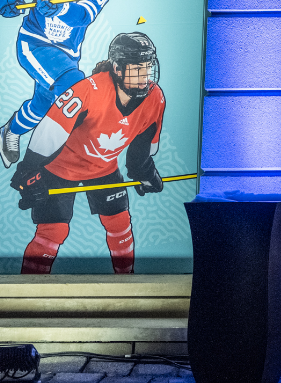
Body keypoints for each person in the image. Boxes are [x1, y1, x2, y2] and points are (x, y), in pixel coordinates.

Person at [10, 32, 166, 275]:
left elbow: (141, 150)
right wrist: (28, 171)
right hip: (60, 167)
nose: (145, 76)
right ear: (117, 68)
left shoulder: (155, 98)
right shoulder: (89, 91)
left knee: (120, 223)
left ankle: (126, 284)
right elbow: (50, 130)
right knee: (53, 230)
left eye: (147, 67)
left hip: (103, 168)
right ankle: (28, 288)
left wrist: (144, 172)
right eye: (137, 68)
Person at [0, 0, 112, 167]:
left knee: (42, 104)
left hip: (67, 55)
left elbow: (84, 15)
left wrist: (61, 7)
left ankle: (10, 130)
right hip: (35, 44)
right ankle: (66, 156)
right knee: (73, 87)